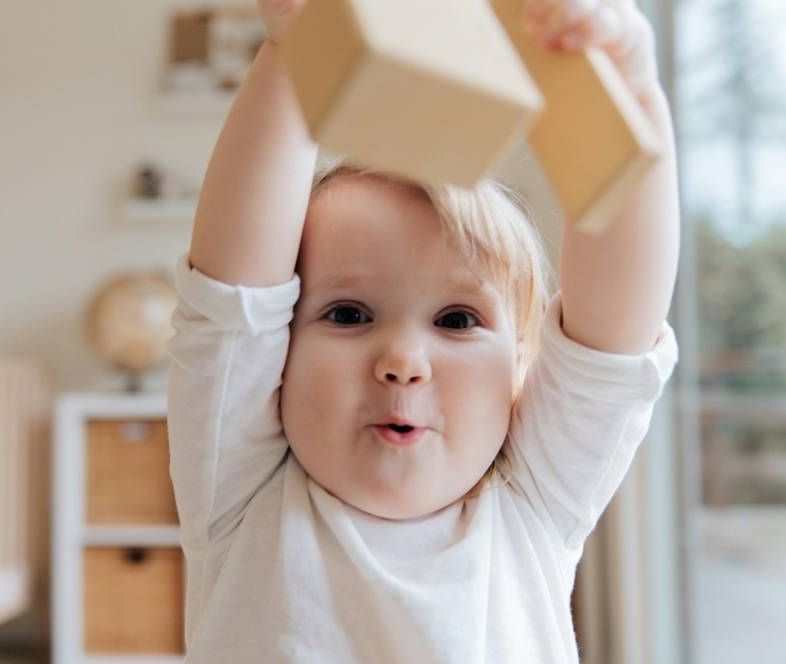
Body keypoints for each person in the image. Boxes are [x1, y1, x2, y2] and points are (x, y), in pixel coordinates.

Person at [166, 0, 680, 660]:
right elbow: (233, 298)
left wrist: (630, 89)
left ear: (520, 368)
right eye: (348, 314)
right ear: (277, 356)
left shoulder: (533, 499)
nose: (403, 361)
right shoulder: (241, 486)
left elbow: (615, 337)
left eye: (457, 321)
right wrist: (298, 49)